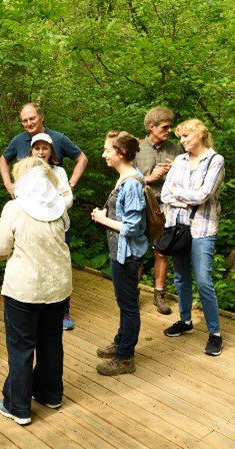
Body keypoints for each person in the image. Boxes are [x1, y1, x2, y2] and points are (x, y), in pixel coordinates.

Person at [0, 157, 71, 426]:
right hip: (58, 286)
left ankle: (18, 407)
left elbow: (1, 247)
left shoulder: (14, 209)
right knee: (51, 341)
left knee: (21, 347)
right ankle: (50, 394)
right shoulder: (58, 207)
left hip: (23, 290)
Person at [160, 119, 225, 356]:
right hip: (178, 226)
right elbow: (166, 194)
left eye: (186, 136)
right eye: (181, 137)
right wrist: (184, 195)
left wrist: (180, 194)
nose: (182, 140)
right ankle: (185, 321)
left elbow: (204, 195)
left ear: (198, 134)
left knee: (204, 280)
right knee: (180, 276)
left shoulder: (215, 160)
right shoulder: (179, 160)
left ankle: (215, 333)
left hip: (203, 227)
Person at [91, 131, 148, 376]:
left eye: (107, 149)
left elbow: (133, 227)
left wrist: (103, 219)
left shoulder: (132, 183)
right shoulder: (125, 177)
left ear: (121, 153)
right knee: (125, 304)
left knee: (129, 306)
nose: (104, 154)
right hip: (120, 253)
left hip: (128, 255)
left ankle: (125, 358)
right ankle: (120, 342)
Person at [135, 107, 183, 314]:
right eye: (165, 127)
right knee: (136, 252)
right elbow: (125, 177)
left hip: (166, 207)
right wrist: (150, 177)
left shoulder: (175, 149)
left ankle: (159, 294)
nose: (169, 130)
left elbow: (186, 179)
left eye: (170, 126)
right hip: (141, 204)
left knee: (161, 252)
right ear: (151, 127)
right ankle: (133, 292)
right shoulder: (135, 147)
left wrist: (177, 170)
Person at [29, 133, 75, 330]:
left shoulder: (60, 172)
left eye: (45, 148)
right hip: (35, 227)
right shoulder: (26, 173)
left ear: (51, 151)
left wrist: (47, 206)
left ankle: (63, 312)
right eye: (37, 148)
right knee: (38, 267)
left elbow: (67, 199)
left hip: (57, 226)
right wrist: (52, 201)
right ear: (32, 151)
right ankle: (38, 311)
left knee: (60, 268)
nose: (41, 152)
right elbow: (25, 200)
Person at [0, 103, 88, 198]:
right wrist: (8, 184)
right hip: (24, 201)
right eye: (25, 121)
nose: (29, 123)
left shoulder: (59, 138)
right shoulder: (18, 140)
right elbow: (3, 160)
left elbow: (82, 159)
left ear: (41, 117)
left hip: (53, 203)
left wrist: (70, 185)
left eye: (32, 118)